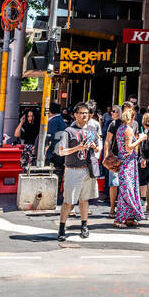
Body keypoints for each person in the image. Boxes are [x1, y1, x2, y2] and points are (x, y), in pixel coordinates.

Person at [56, 103, 101, 241]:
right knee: (68, 201)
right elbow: (61, 151)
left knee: (84, 199)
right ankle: (62, 228)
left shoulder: (93, 130)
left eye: (86, 113)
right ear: (75, 115)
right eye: (81, 113)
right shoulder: (69, 131)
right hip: (73, 170)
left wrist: (94, 147)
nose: (84, 115)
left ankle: (84, 226)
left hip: (88, 169)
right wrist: (77, 148)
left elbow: (98, 149)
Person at [114, 104, 148, 227]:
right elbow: (128, 148)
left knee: (128, 190)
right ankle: (119, 219)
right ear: (132, 118)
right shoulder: (127, 129)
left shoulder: (120, 128)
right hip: (127, 163)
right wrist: (140, 139)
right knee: (127, 190)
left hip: (126, 162)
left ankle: (129, 217)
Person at [103, 105, 123, 214]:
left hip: (126, 157)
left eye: (114, 111)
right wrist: (106, 156)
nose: (112, 113)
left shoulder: (130, 124)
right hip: (115, 156)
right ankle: (112, 209)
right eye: (112, 111)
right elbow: (108, 141)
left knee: (124, 183)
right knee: (114, 183)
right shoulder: (113, 124)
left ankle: (122, 208)